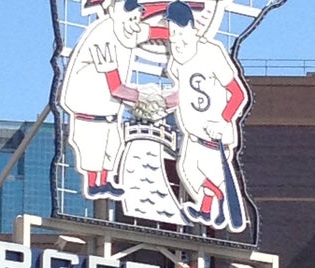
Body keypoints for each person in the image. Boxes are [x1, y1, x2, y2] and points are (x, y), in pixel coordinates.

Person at [60, 0, 167, 200]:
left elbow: (151, 32)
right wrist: (144, 98)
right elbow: (115, 86)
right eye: (133, 17)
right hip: (89, 112)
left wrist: (185, 35)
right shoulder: (102, 36)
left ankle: (105, 181)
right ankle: (94, 183)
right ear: (119, 12)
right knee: (93, 151)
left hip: (109, 113)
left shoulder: (126, 29)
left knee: (112, 148)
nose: (136, 22)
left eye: (138, 17)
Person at [162, 0, 250, 232]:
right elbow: (181, 95)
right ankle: (210, 207)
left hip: (214, 137)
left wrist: (223, 120)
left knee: (210, 177)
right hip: (192, 135)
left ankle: (216, 202)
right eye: (171, 32)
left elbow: (238, 93)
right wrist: (161, 103)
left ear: (190, 27)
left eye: (178, 31)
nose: (175, 38)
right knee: (189, 172)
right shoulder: (176, 62)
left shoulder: (212, 52)